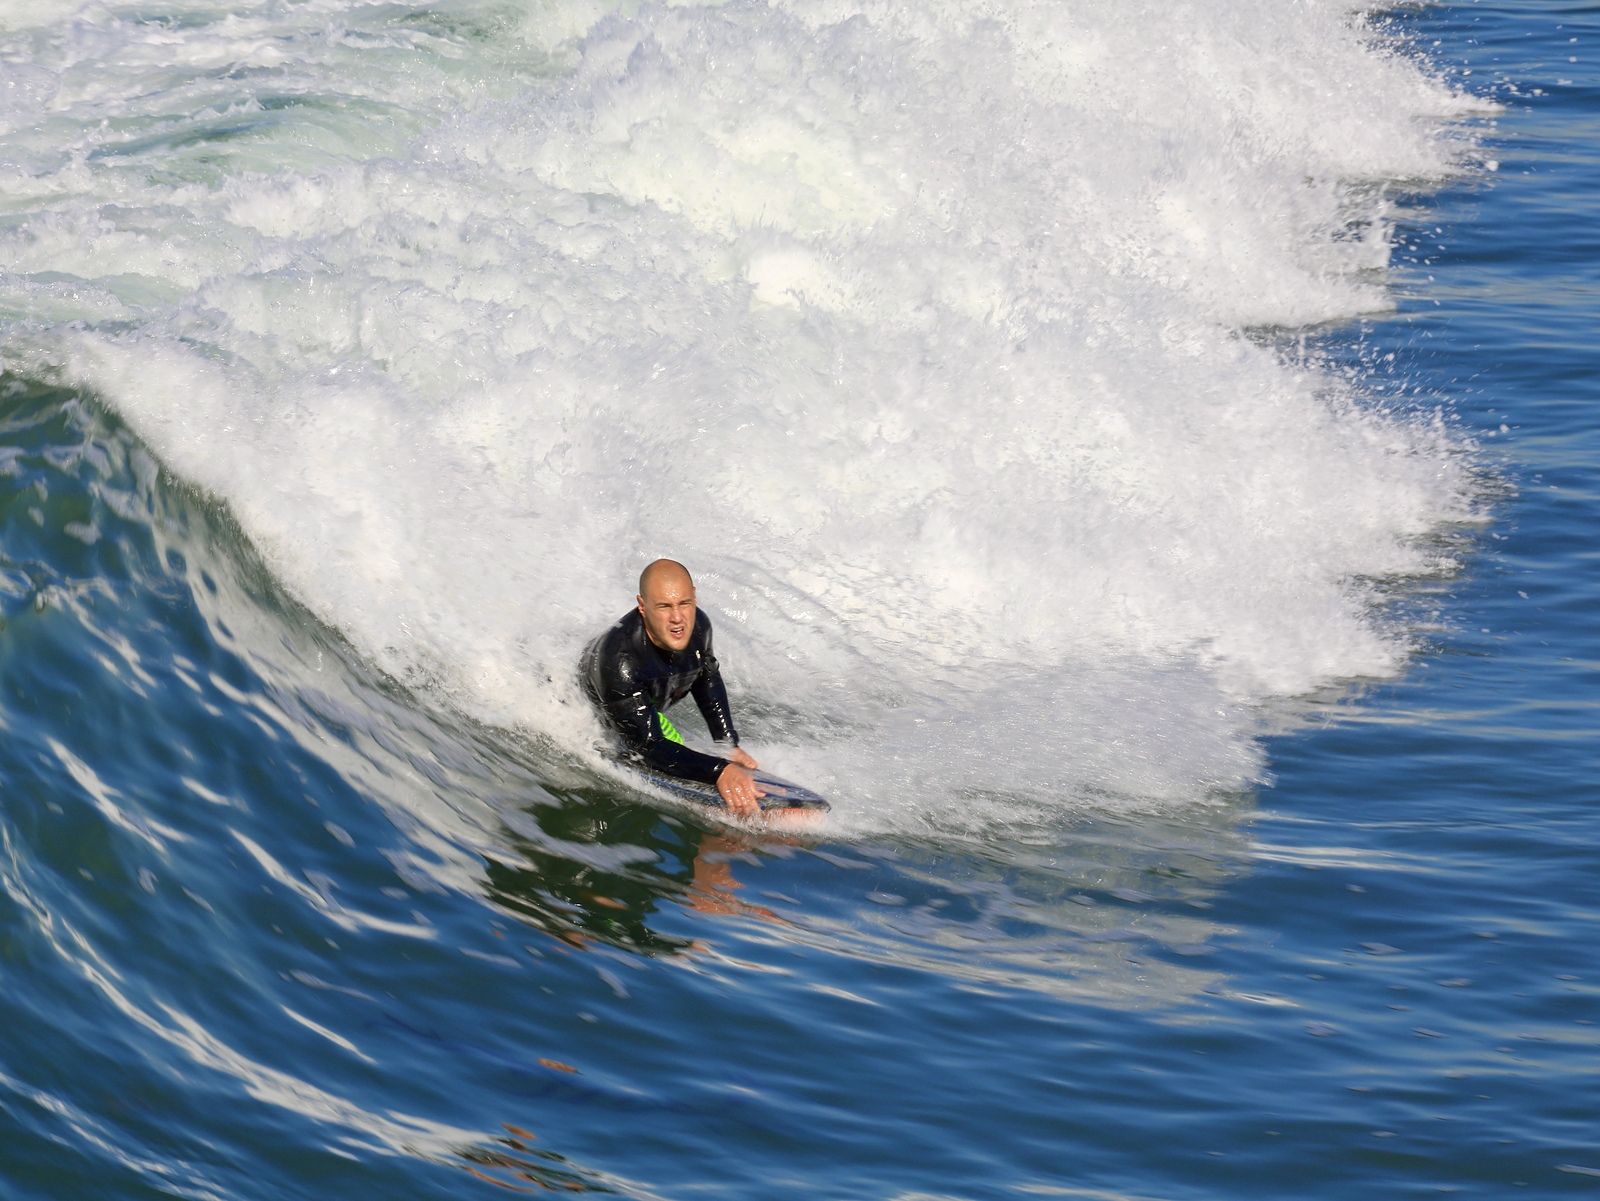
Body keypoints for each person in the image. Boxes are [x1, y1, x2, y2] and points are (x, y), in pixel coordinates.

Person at [579, 559, 766, 817]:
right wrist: (718, 770)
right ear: (643, 606)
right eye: (664, 606)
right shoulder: (620, 661)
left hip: (643, 700)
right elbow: (648, 746)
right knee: (642, 743)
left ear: (694, 598)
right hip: (595, 706)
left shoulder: (698, 625)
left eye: (684, 604)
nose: (677, 618)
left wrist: (726, 743)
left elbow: (705, 676)